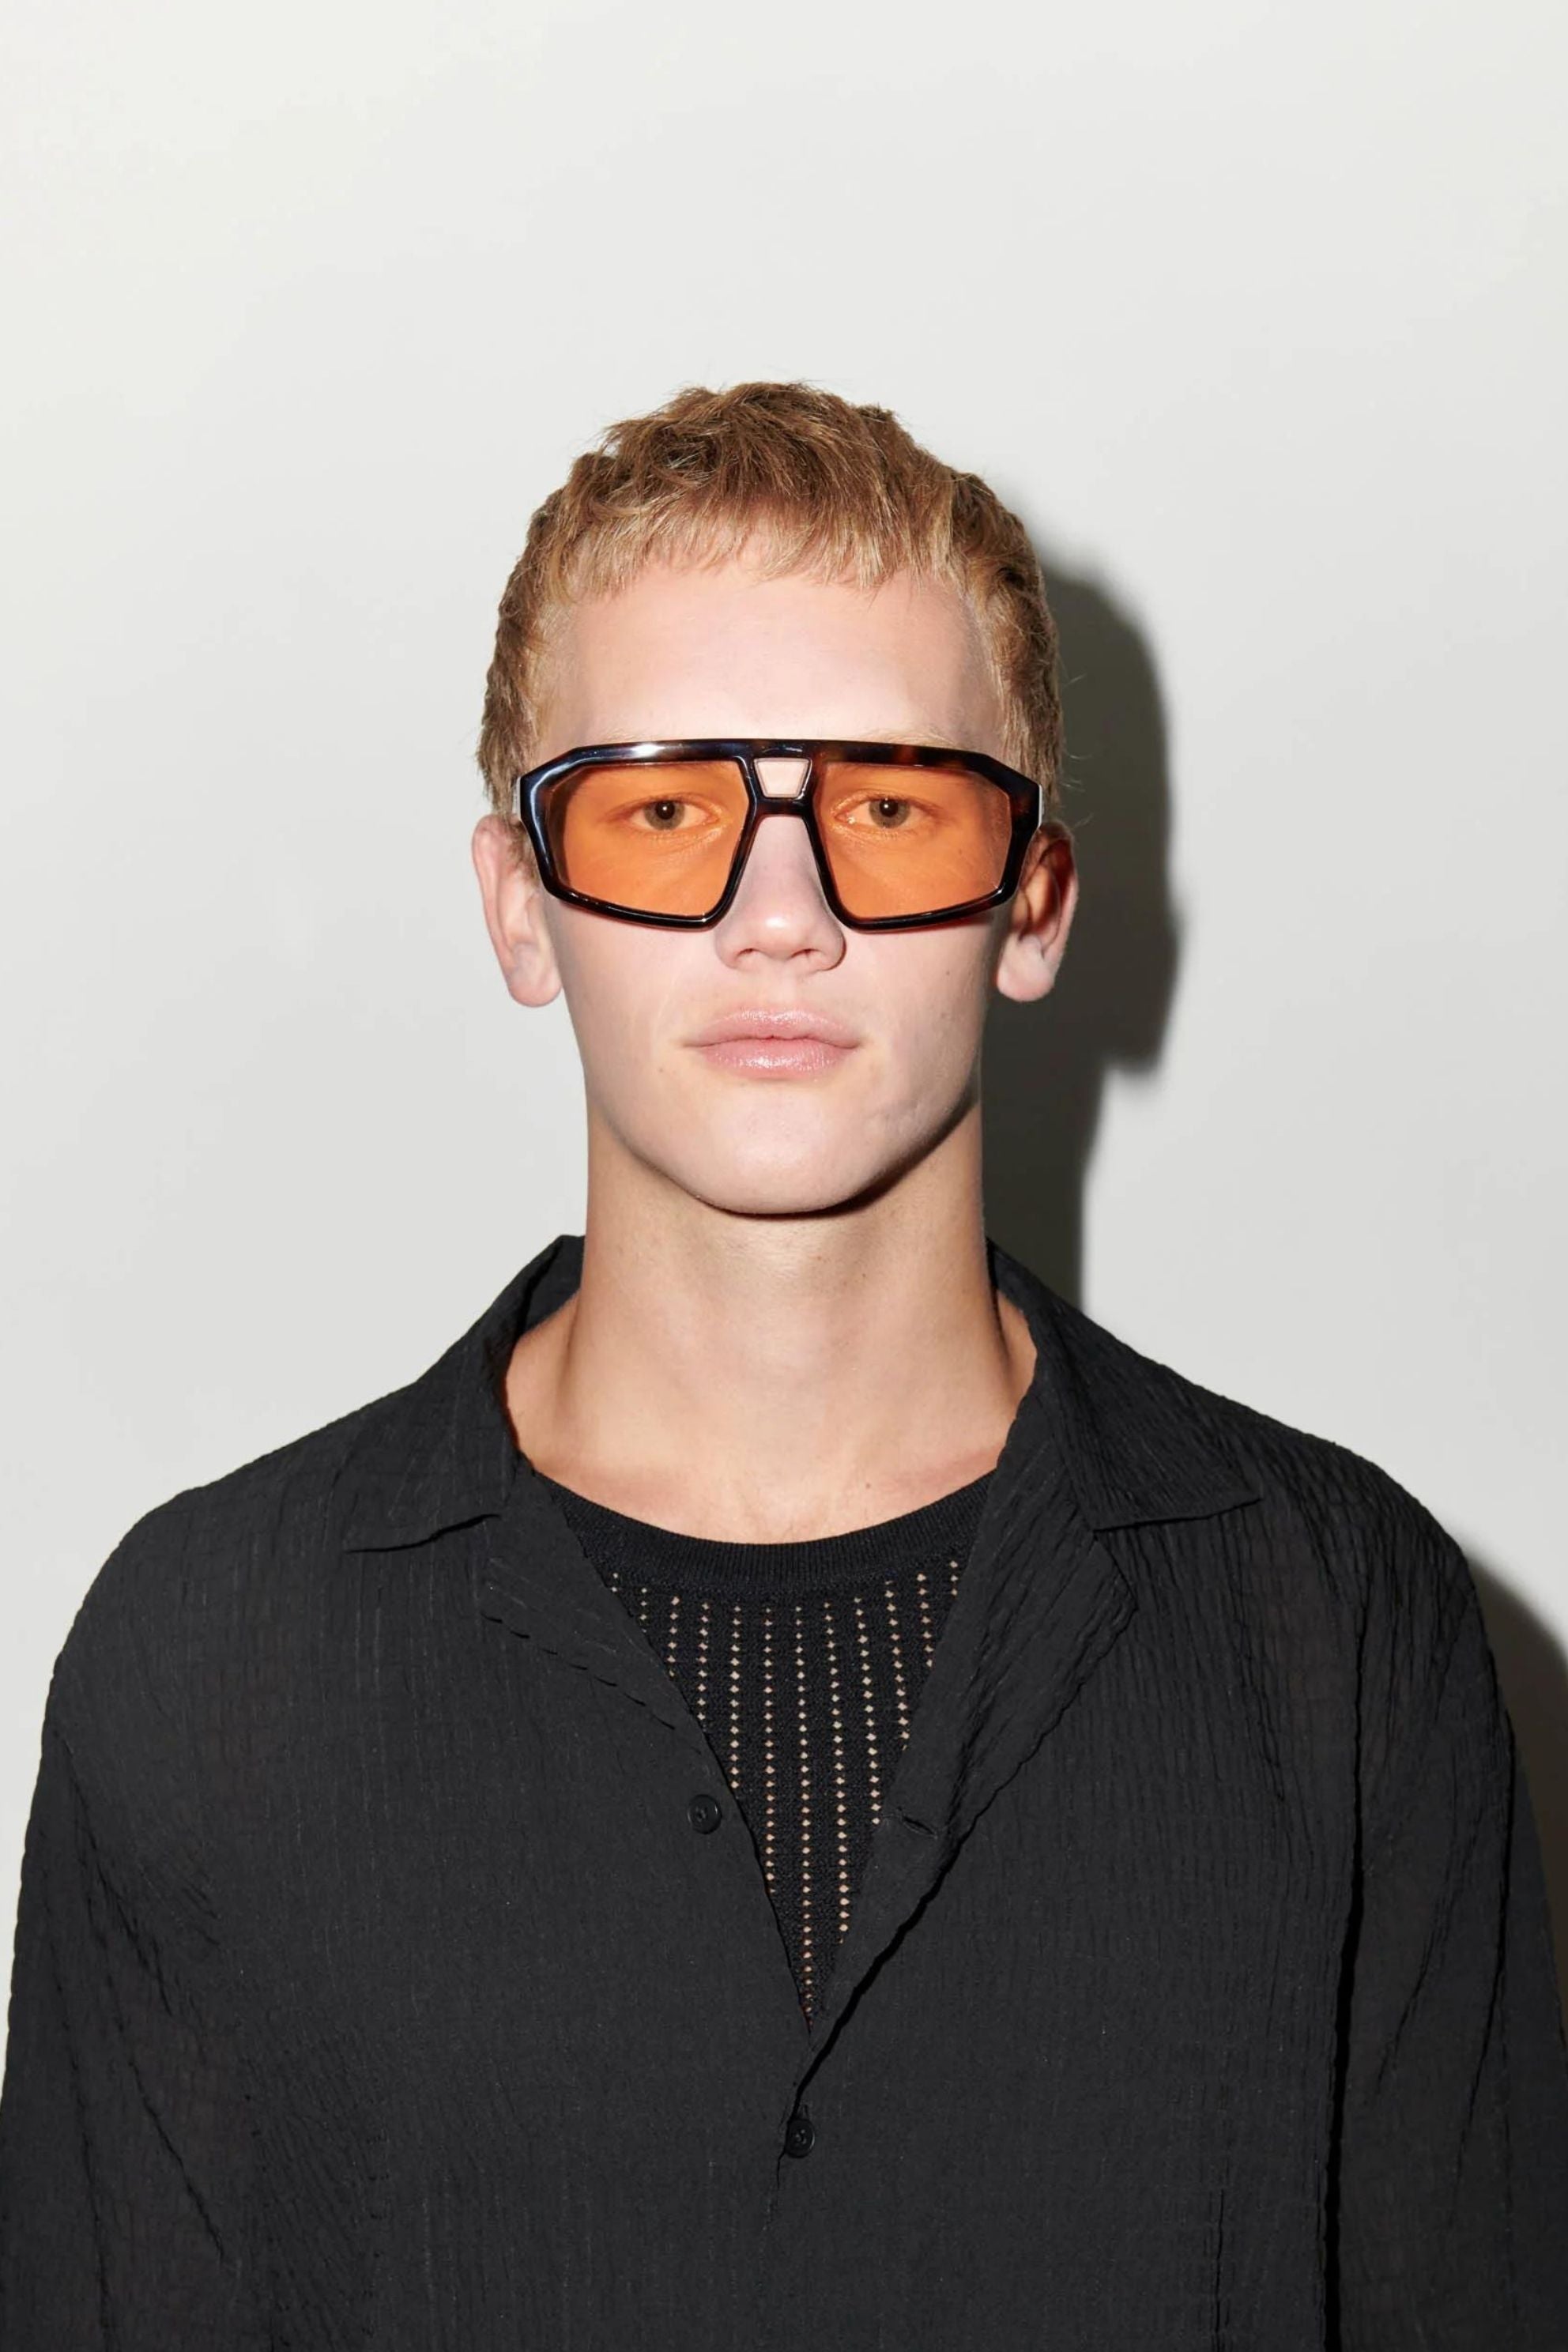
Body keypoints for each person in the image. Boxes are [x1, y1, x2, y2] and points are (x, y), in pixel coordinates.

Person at [2, 380, 1565, 2350]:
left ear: (1028, 904)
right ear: (517, 907)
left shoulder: (1342, 1633)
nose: (778, 914)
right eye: (661, 812)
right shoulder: (202, 1663)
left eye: (887, 811)